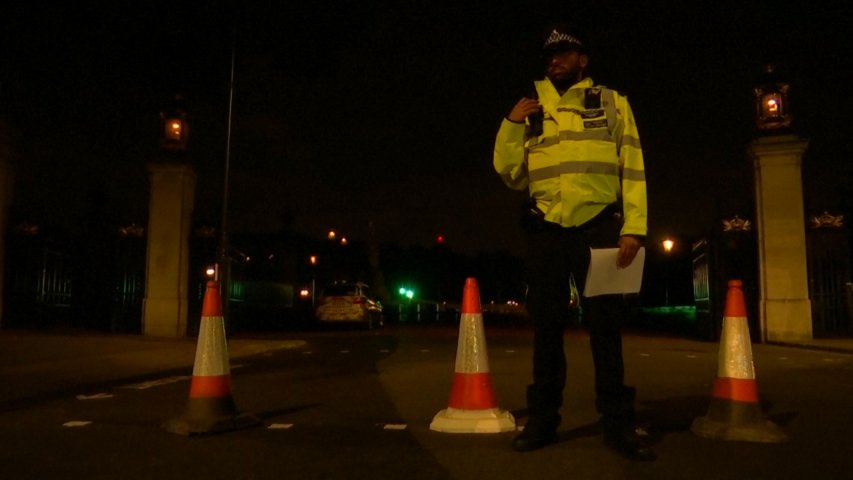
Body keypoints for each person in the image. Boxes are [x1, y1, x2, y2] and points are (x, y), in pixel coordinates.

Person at [493, 24, 654, 461]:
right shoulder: (531, 108)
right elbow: (511, 175)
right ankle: (543, 421)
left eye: (565, 52)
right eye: (550, 55)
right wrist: (511, 125)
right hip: (546, 231)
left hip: (598, 229)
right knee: (546, 331)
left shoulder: (612, 102)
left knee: (606, 331)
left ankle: (619, 425)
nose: (555, 60)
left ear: (583, 59)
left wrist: (634, 228)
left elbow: (632, 165)